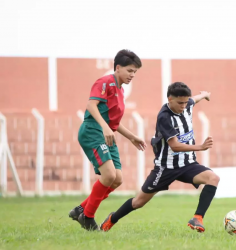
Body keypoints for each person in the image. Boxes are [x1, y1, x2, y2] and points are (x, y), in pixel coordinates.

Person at [99, 82, 220, 233]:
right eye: (180, 103)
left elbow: (194, 99)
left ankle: (197, 218)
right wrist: (200, 147)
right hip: (166, 167)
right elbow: (175, 146)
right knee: (138, 202)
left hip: (188, 164)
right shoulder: (164, 117)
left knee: (213, 178)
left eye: (185, 102)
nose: (184, 106)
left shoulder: (187, 103)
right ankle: (112, 219)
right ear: (170, 99)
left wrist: (205, 95)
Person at [68, 49, 147, 230]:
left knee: (117, 179)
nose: (132, 74)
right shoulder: (104, 82)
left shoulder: (120, 91)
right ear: (117, 68)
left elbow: (114, 123)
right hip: (92, 131)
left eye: (135, 71)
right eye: (129, 70)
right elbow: (91, 105)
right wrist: (105, 128)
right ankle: (87, 217)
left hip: (106, 135)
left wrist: (132, 137)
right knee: (109, 175)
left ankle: (81, 209)